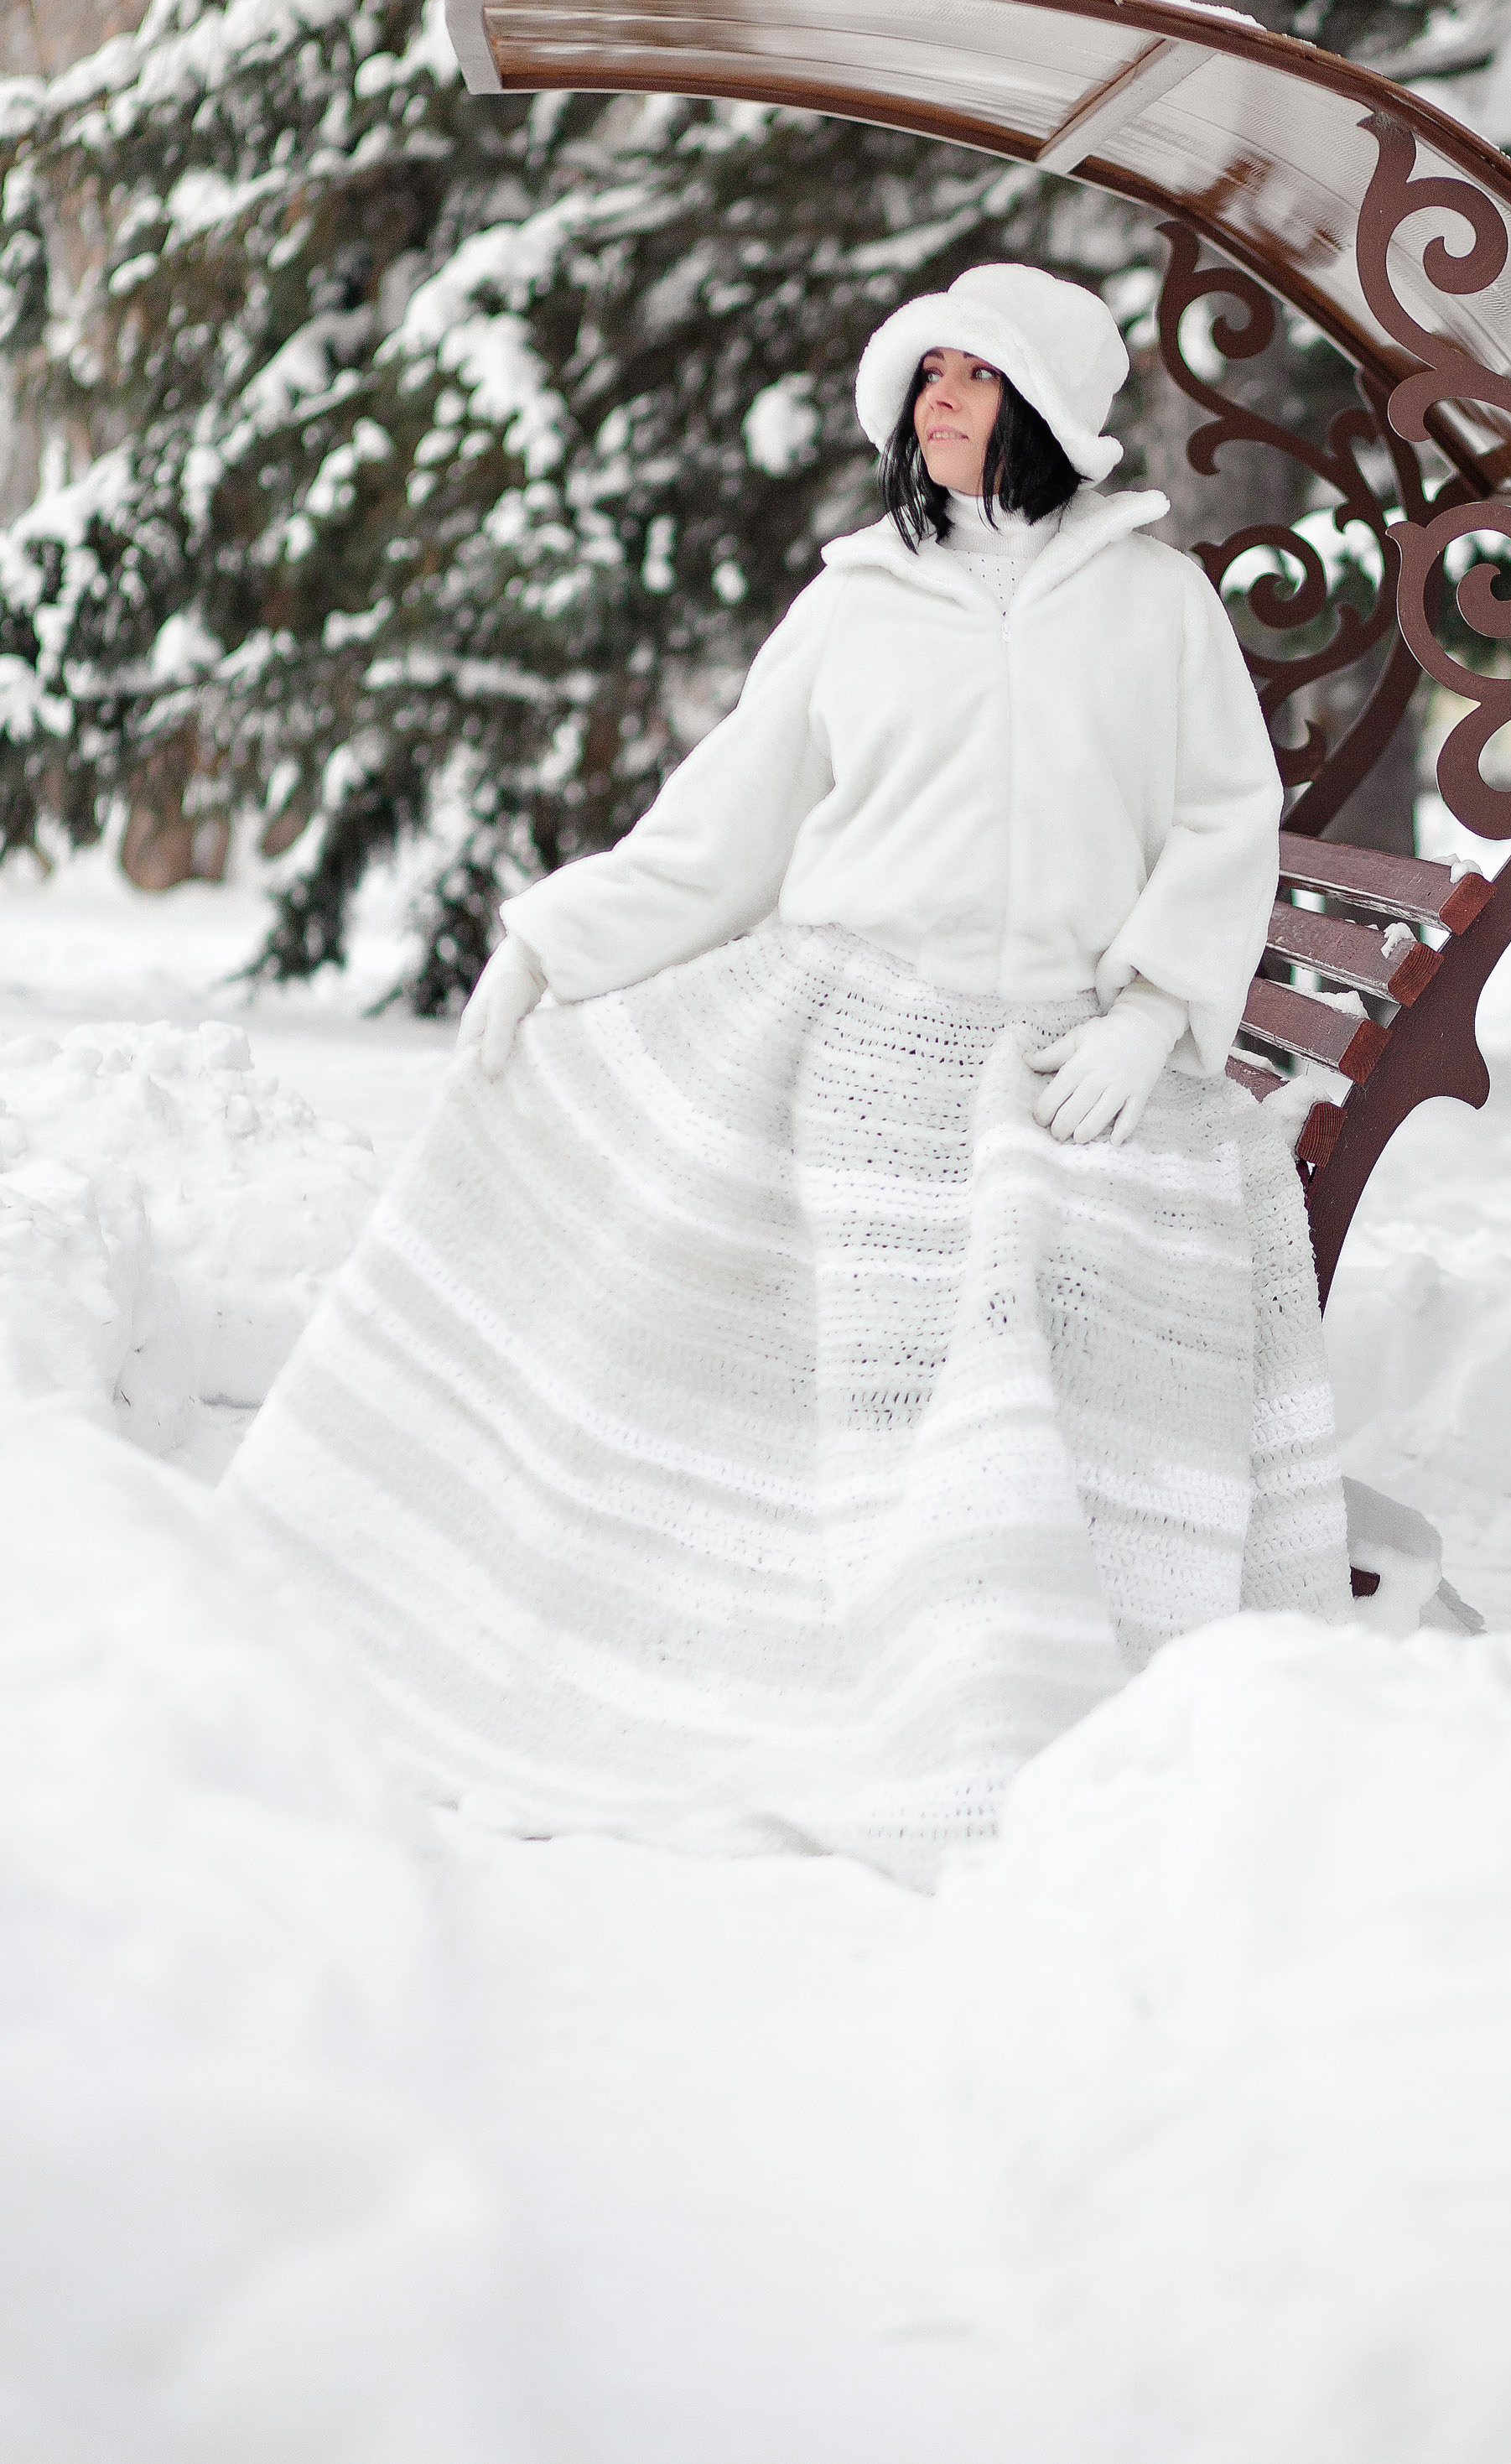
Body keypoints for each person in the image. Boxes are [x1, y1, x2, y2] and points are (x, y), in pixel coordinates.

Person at [226, 264, 1351, 1884]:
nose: (940, 399)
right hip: (849, 1013)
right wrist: (557, 942)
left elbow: (1221, 816)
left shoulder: (1152, 604)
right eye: (926, 374)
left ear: (1048, 401)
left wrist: (1155, 1011)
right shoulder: (855, 601)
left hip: (1054, 1051)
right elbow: (723, 822)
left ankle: (985, 1628)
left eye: (976, 372)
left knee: (1017, 1283)